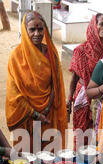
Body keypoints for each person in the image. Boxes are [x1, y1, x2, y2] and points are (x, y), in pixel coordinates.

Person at [5, 11, 68, 153]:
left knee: (49, 157)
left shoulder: (51, 52)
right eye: (32, 29)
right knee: (27, 158)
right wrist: (36, 114)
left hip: (49, 114)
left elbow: (55, 85)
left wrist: (46, 109)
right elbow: (14, 94)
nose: (37, 33)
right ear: (25, 30)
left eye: (40, 29)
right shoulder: (16, 56)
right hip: (27, 117)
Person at [67, 14, 103, 149]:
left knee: (101, 133)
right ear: (94, 26)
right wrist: (69, 98)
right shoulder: (81, 51)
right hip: (83, 96)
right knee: (82, 132)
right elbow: (74, 78)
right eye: (102, 24)